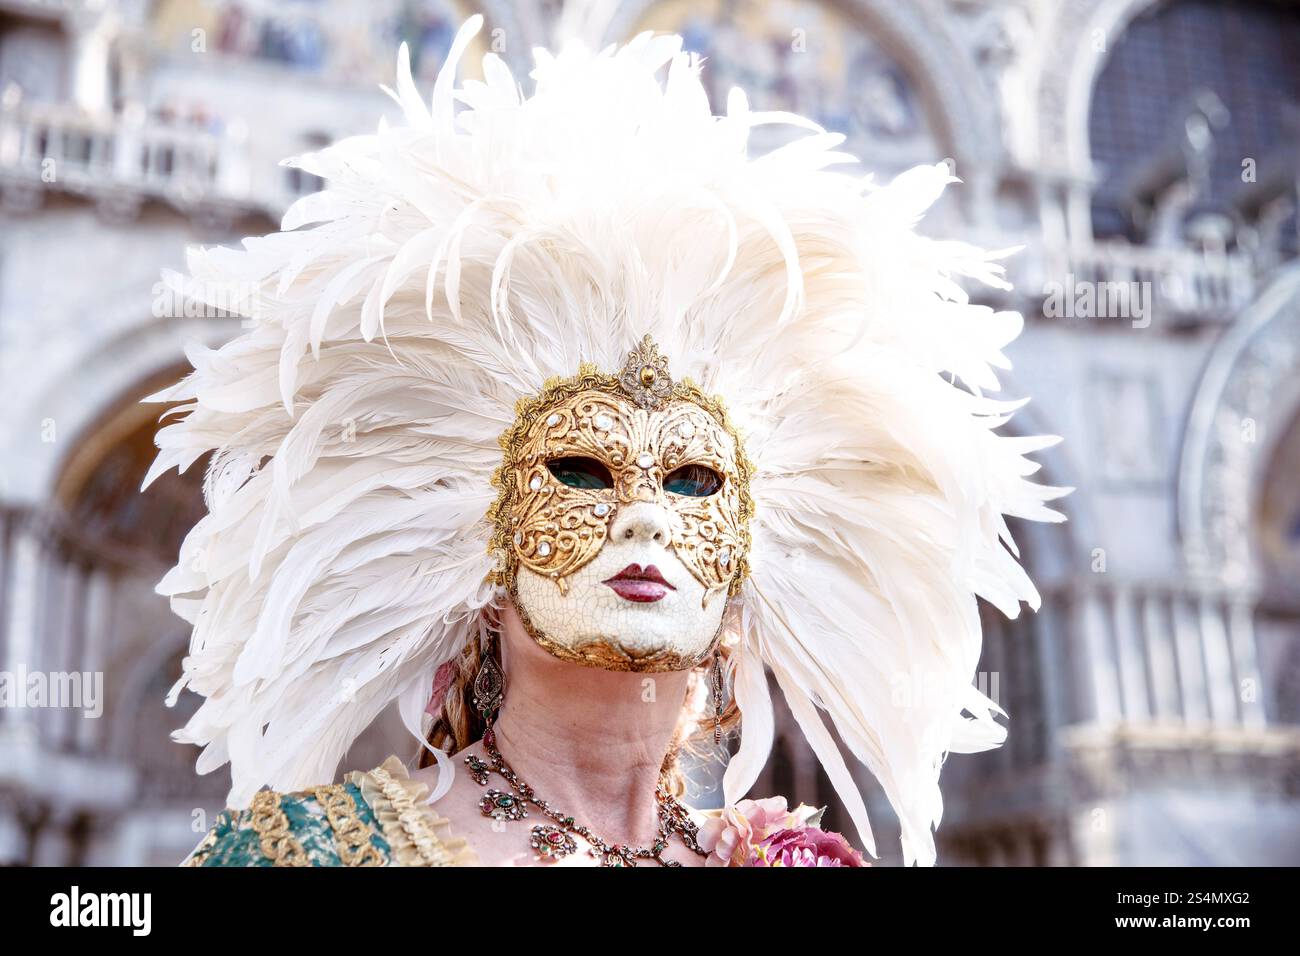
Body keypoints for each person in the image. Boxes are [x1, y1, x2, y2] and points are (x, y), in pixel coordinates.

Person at [154, 15, 1065, 867]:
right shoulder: (316, 854)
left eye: (695, 483)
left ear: (754, 549)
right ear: (483, 536)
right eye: (581, 471)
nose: (644, 520)